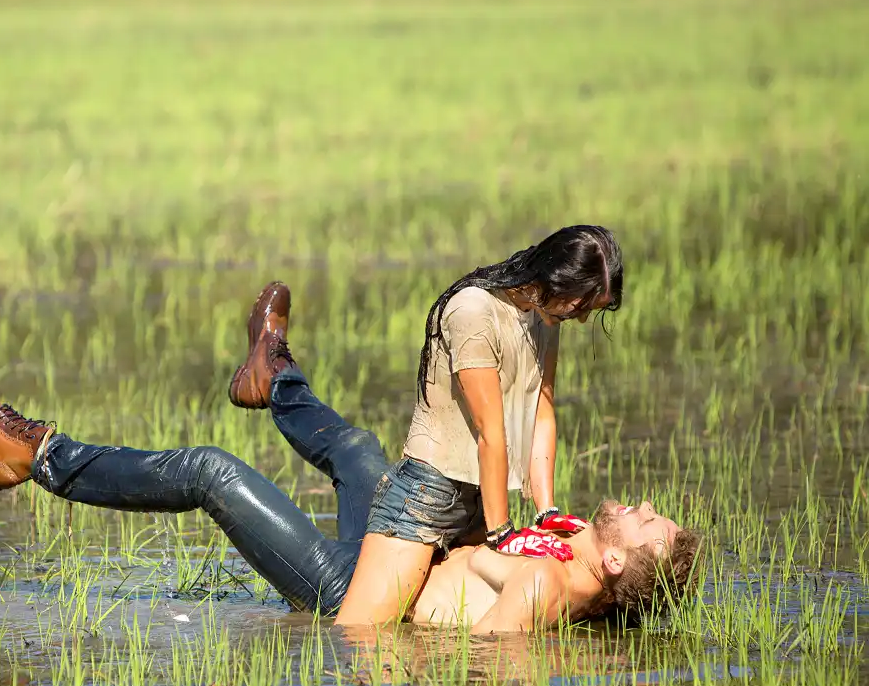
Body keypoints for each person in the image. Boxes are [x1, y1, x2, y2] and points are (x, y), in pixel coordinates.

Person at [0, 281, 700, 632]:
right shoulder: (570, 550)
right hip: (400, 544)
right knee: (359, 450)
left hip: (351, 590)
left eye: (647, 526)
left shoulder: (546, 590)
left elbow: (487, 667)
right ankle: (273, 376)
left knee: (213, 471)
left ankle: (31, 455)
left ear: (613, 565)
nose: (638, 507)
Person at [260, 226, 623, 626]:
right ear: (557, 278)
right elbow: (491, 430)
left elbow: (542, 408)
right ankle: (275, 372)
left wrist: (546, 511)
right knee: (359, 635)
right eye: (582, 306)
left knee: (357, 451)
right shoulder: (474, 311)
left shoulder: (545, 317)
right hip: (426, 500)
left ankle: (275, 370)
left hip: (477, 501)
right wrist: (502, 533)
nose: (584, 318)